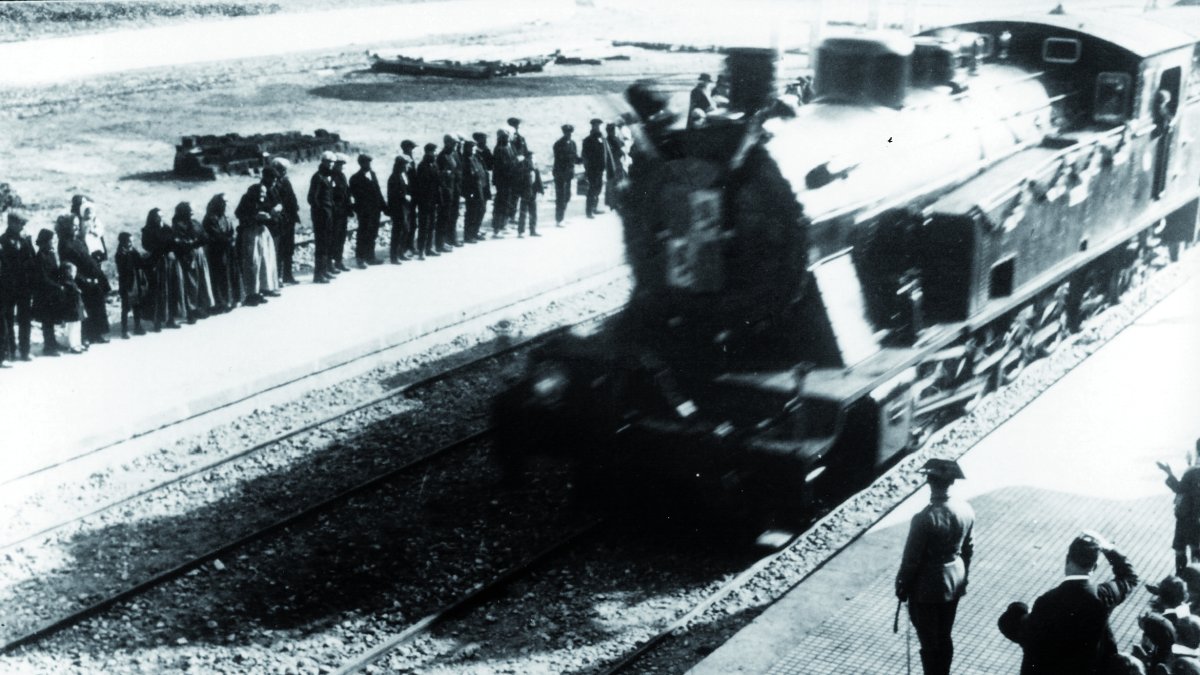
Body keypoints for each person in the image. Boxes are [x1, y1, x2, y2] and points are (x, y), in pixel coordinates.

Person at [999, 531, 1139, 674]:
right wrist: (1108, 548)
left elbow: (1020, 631)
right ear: (1095, 567)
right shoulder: (1103, 596)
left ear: (1067, 560)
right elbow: (1129, 577)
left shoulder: (1046, 602)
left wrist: (1018, 609)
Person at [895, 458, 974, 675]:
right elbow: (968, 549)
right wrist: (963, 577)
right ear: (952, 483)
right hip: (954, 581)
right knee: (945, 635)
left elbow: (911, 560)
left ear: (929, 483)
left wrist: (902, 585)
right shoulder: (966, 509)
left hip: (927, 587)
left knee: (929, 641)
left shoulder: (924, 518)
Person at [56, 214, 110, 344]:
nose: (76, 227)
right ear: (66, 227)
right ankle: (85, 336)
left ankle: (97, 334)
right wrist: (83, 279)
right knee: (85, 308)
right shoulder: (64, 244)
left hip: (92, 276)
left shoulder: (78, 240)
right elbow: (68, 265)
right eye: (72, 225)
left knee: (97, 305)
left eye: (76, 224)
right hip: (80, 279)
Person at [234, 183, 280, 305]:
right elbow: (239, 215)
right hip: (250, 233)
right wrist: (255, 217)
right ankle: (251, 293)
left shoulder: (263, 200)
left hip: (262, 233)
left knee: (265, 261)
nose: (264, 195)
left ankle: (263, 289)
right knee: (253, 262)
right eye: (261, 192)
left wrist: (271, 214)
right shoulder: (246, 200)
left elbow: (271, 212)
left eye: (264, 192)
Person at [141, 208, 187, 330]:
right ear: (152, 217)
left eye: (162, 216)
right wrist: (165, 251)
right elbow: (148, 246)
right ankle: (157, 321)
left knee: (172, 290)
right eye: (157, 216)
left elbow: (173, 242)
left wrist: (172, 250)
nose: (160, 218)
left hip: (170, 263)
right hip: (158, 263)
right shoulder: (148, 231)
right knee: (158, 292)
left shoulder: (167, 228)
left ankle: (170, 319)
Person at [1159, 442, 1200, 572]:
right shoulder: (1194, 470)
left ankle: (1180, 580)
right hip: (1196, 519)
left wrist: (1168, 473)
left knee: (1180, 549)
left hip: (1186, 518)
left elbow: (1179, 488)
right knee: (1196, 550)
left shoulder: (1193, 472)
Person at [172, 201, 216, 322]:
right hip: (188, 256)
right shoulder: (178, 225)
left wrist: (202, 240)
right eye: (189, 210)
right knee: (191, 283)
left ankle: (201, 307)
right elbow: (180, 242)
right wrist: (195, 242)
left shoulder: (195, 223)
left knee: (202, 280)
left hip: (199, 255)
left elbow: (204, 235)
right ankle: (190, 311)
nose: (192, 212)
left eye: (192, 210)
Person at [0, 212, 35, 362]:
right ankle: (10, 351)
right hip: (8, 286)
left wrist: (30, 241)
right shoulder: (2, 240)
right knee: (8, 319)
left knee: (25, 319)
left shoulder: (25, 239)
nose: (23, 226)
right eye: (20, 223)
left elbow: (32, 258)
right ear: (11, 223)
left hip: (24, 285)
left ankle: (25, 351)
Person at [202, 193, 242, 312]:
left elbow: (231, 230)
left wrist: (232, 237)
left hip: (228, 249)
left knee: (232, 273)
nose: (225, 205)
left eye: (226, 202)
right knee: (220, 276)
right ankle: (222, 302)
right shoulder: (210, 218)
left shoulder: (224, 216)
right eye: (223, 202)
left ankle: (233, 299)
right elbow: (215, 235)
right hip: (217, 251)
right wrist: (229, 239)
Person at [30, 228, 65, 355]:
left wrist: (62, 280)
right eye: (51, 240)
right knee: (47, 321)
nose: (53, 242)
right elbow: (42, 277)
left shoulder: (51, 254)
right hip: (44, 294)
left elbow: (56, 272)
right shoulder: (40, 257)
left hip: (52, 292)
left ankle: (53, 342)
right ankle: (49, 347)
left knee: (52, 319)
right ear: (45, 241)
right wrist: (57, 286)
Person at [349, 153, 386, 268]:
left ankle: (370, 256)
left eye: (369, 162)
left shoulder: (372, 174)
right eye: (366, 162)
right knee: (363, 234)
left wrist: (384, 207)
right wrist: (358, 209)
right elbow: (354, 196)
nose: (369, 164)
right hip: (364, 211)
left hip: (375, 210)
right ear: (361, 164)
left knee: (373, 233)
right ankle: (360, 258)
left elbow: (378, 191)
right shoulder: (355, 178)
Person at [269, 157, 301, 285]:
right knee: (279, 249)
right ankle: (278, 277)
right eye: (282, 169)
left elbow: (291, 197)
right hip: (280, 220)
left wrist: (295, 207)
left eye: (285, 170)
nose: (284, 172)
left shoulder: (286, 181)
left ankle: (288, 275)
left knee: (289, 248)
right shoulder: (274, 183)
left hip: (289, 219)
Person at [308, 151, 336, 283]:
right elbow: (312, 198)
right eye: (329, 162)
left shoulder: (326, 176)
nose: (331, 165)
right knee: (321, 245)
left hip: (328, 215)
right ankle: (318, 275)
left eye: (332, 162)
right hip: (321, 217)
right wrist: (321, 212)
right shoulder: (318, 177)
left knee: (327, 244)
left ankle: (324, 271)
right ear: (323, 162)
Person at [114, 232, 149, 338]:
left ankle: (137, 326)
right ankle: (124, 331)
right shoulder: (120, 254)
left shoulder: (132, 251)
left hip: (135, 281)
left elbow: (140, 263)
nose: (131, 243)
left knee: (137, 304)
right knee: (125, 307)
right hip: (126, 283)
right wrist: (132, 255)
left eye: (132, 241)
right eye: (129, 241)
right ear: (123, 242)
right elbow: (127, 267)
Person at [581, 118, 613, 219]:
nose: (597, 127)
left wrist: (608, 167)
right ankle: (589, 211)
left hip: (600, 168)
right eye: (596, 126)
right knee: (592, 189)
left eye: (599, 126)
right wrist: (587, 168)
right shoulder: (587, 140)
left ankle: (594, 208)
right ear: (592, 126)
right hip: (592, 169)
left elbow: (606, 153)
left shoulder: (602, 139)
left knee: (598, 188)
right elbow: (584, 155)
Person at [413, 142, 441, 260]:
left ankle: (429, 248)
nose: (435, 154)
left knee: (431, 225)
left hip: (433, 199)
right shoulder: (422, 166)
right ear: (428, 152)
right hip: (424, 200)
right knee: (424, 226)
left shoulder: (434, 165)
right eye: (434, 151)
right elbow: (422, 186)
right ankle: (421, 250)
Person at [461, 139, 490, 244]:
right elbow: (467, 178)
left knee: (481, 210)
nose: (474, 150)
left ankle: (475, 232)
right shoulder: (465, 160)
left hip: (480, 189)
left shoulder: (475, 157)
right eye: (472, 148)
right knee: (472, 213)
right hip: (472, 191)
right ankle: (468, 235)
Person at [386, 154, 413, 263]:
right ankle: (394, 256)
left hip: (404, 207)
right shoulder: (394, 177)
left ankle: (400, 252)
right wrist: (404, 196)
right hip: (397, 207)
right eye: (406, 164)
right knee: (398, 231)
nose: (407, 166)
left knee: (405, 229)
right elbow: (393, 194)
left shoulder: (403, 175)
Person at [436, 134, 461, 252]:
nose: (455, 145)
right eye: (453, 143)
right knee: (444, 217)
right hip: (446, 191)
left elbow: (457, 170)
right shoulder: (441, 157)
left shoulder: (454, 154)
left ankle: (452, 238)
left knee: (454, 215)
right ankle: (442, 242)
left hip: (454, 189)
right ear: (447, 143)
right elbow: (440, 176)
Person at [552, 124, 579, 227]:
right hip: (560, 173)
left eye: (570, 132)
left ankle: (562, 216)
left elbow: (575, 157)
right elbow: (561, 158)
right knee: (561, 196)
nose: (569, 134)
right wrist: (572, 159)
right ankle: (559, 219)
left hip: (568, 174)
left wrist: (582, 160)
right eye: (567, 132)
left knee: (567, 196)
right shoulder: (558, 144)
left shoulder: (573, 143)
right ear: (564, 132)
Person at [491, 129, 516, 237]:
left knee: (506, 203)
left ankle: (503, 225)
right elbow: (504, 165)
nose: (507, 138)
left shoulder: (509, 147)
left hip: (509, 180)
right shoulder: (500, 149)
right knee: (501, 204)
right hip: (503, 181)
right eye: (505, 136)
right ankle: (497, 228)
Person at [330, 154, 353, 273]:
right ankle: (331, 263)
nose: (341, 167)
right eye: (339, 164)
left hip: (343, 211)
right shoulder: (331, 176)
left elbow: (346, 192)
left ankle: (338, 261)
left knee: (341, 237)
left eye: (342, 165)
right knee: (333, 237)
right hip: (335, 212)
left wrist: (350, 207)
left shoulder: (342, 176)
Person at [513, 149, 543, 237]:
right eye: (533, 157)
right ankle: (522, 231)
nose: (534, 158)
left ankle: (531, 230)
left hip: (532, 191)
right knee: (525, 212)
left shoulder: (533, 166)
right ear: (529, 157)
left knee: (532, 212)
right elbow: (519, 179)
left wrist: (540, 190)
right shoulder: (524, 165)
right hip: (526, 191)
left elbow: (538, 179)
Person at [59, 261, 85, 354]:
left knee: (77, 326)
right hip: (72, 308)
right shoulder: (67, 283)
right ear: (68, 272)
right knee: (73, 327)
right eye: (73, 271)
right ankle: (73, 345)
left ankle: (77, 343)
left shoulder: (71, 282)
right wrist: (78, 291)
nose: (75, 274)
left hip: (76, 308)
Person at [605, 122, 628, 212]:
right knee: (613, 183)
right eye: (611, 130)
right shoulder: (608, 140)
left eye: (613, 130)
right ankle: (613, 204)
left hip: (617, 163)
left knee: (618, 181)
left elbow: (622, 144)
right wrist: (620, 152)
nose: (613, 131)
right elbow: (616, 150)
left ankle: (616, 202)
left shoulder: (615, 138)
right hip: (612, 164)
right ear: (608, 131)